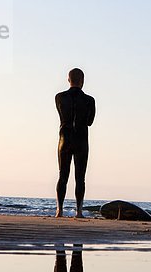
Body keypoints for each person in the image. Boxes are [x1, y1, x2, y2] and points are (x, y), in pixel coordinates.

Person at [55, 68, 96, 218]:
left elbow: (62, 116)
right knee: (80, 177)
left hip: (64, 139)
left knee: (63, 175)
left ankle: (59, 209)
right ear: (82, 81)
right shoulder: (89, 100)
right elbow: (90, 122)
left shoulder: (59, 97)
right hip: (81, 139)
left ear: (68, 80)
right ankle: (79, 211)